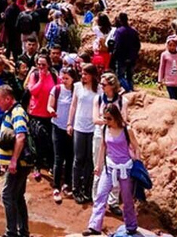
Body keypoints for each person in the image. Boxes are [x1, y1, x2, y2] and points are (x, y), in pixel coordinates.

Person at [82, 105, 140, 236]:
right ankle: (94, 226)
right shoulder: (105, 129)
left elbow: (136, 147)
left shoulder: (127, 130)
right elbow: (103, 146)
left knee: (127, 199)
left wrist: (138, 164)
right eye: (105, 118)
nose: (106, 121)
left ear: (116, 117)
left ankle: (131, 225)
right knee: (100, 195)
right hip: (110, 167)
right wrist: (98, 165)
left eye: (109, 118)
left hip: (125, 168)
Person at [0, 85, 32, 237]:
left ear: (8, 99)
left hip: (19, 164)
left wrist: (13, 161)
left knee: (7, 195)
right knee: (17, 196)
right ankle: (23, 231)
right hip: (18, 163)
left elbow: (20, 136)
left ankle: (11, 233)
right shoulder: (12, 111)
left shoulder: (17, 112)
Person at [92, 72, 125, 213]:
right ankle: (97, 200)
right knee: (98, 168)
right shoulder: (98, 99)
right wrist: (111, 121)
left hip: (117, 138)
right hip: (100, 135)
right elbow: (95, 119)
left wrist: (106, 120)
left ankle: (113, 201)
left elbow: (124, 120)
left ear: (112, 85)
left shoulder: (122, 101)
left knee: (116, 168)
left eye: (104, 84)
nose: (101, 86)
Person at [68, 64, 98, 205]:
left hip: (93, 127)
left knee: (89, 160)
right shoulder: (77, 86)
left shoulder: (98, 89)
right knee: (78, 158)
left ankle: (87, 189)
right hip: (79, 126)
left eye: (86, 74)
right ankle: (76, 189)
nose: (83, 76)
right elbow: (73, 105)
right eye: (82, 74)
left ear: (92, 75)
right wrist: (69, 123)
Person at [26, 55, 58, 182]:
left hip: (49, 114)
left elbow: (58, 91)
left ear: (48, 65)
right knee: (38, 139)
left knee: (50, 140)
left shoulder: (55, 76)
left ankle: (49, 164)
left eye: (43, 65)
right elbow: (33, 91)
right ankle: (37, 166)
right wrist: (41, 79)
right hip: (36, 113)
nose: (41, 67)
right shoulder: (34, 75)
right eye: (39, 64)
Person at [48, 67, 78, 204]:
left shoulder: (76, 90)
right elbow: (49, 105)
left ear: (72, 79)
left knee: (70, 156)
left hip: (71, 127)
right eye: (62, 78)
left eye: (67, 78)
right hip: (57, 126)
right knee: (58, 157)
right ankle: (56, 186)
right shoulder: (57, 89)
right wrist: (51, 110)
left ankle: (67, 183)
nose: (64, 81)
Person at [113, 13, 140, 91]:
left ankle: (128, 90)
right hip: (132, 58)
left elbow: (117, 45)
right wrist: (134, 55)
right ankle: (131, 90)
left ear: (120, 20)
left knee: (120, 76)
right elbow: (138, 45)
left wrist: (115, 55)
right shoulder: (133, 31)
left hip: (122, 58)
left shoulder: (119, 32)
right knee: (129, 76)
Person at [159, 35, 177, 102]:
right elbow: (162, 68)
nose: (172, 47)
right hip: (169, 82)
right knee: (173, 100)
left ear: (176, 46)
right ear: (167, 45)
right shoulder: (164, 55)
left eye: (174, 45)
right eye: (170, 45)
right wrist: (160, 81)